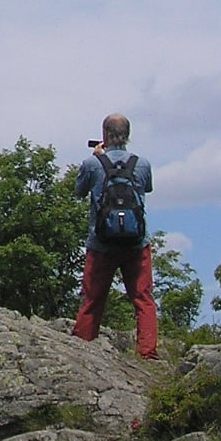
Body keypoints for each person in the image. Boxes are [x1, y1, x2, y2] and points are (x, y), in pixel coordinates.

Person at [71, 113, 158, 359]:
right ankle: (147, 352)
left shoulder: (92, 164)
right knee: (143, 298)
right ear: (127, 136)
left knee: (92, 298)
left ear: (104, 135)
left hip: (101, 243)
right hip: (136, 243)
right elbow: (146, 188)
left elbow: (79, 191)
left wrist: (97, 157)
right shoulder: (142, 164)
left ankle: (82, 348)